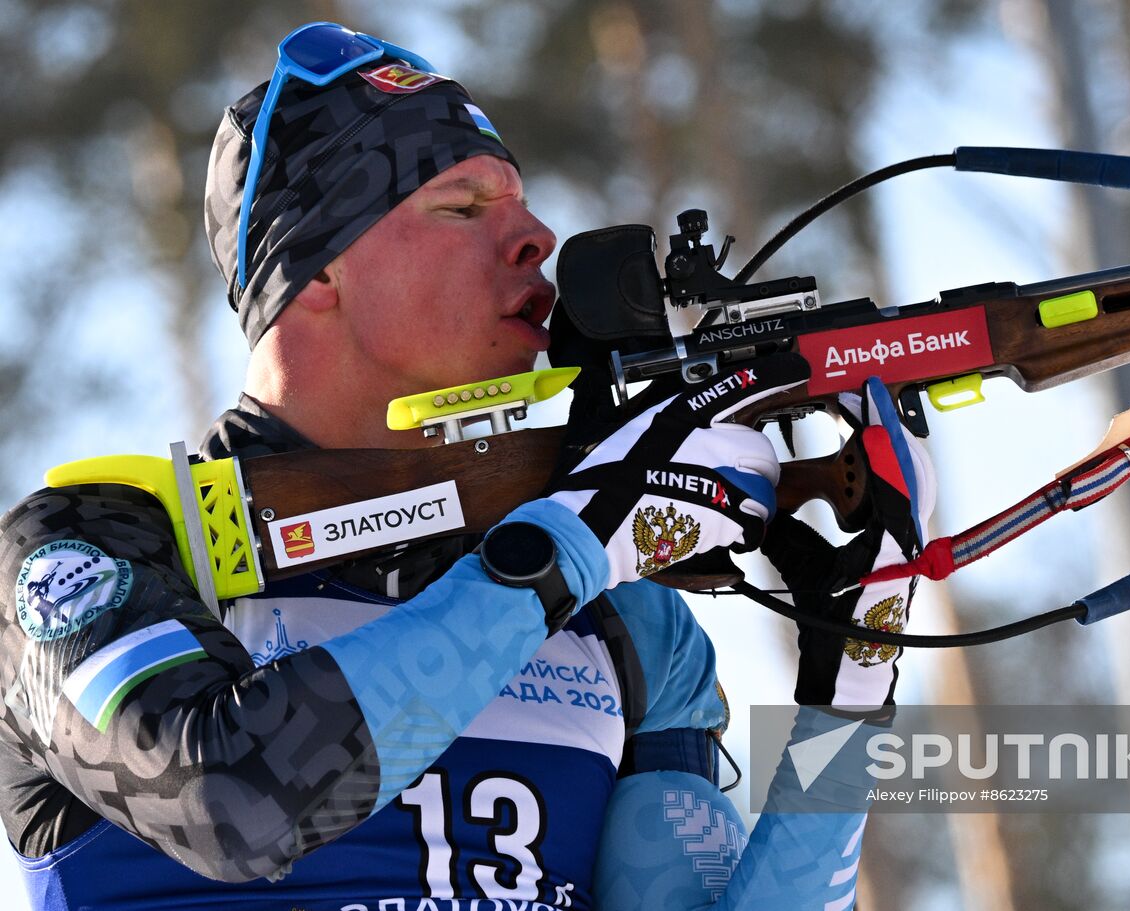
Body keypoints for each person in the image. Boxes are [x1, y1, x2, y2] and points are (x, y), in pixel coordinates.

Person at [0, 22, 934, 911]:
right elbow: (230, 801)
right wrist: (573, 544)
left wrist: (852, 690)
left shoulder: (629, 616)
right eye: (464, 206)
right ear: (318, 268)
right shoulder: (95, 547)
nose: (538, 240)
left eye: (524, 204)